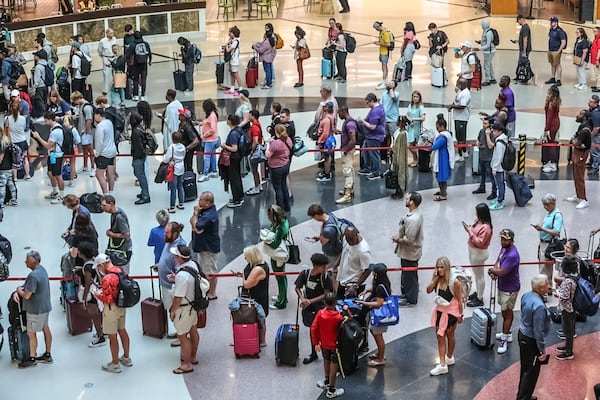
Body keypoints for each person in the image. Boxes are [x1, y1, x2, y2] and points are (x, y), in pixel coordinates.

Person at [92, 253, 133, 373]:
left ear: (102, 264)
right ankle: (126, 357)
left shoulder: (107, 278)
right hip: (121, 306)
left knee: (112, 336)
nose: (99, 270)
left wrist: (97, 295)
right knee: (123, 330)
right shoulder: (120, 270)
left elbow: (108, 299)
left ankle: (115, 364)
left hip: (111, 309)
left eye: (99, 267)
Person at [14, 250, 53, 368]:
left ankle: (32, 358)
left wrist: (18, 290)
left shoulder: (33, 276)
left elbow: (26, 295)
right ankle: (47, 354)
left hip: (35, 310)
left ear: (34, 261)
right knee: (46, 328)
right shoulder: (42, 270)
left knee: (31, 334)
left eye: (27, 260)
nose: (25, 262)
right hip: (45, 307)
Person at [425, 256, 463, 376]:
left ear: (447, 268)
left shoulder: (454, 282)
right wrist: (434, 280)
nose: (439, 269)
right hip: (440, 311)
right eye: (438, 267)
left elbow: (460, 299)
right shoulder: (437, 279)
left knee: (449, 335)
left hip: (451, 312)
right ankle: (444, 362)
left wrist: (460, 315)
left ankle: (447, 360)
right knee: (440, 336)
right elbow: (428, 290)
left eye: (442, 267)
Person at [515, 275, 551, 400]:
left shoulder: (526, 295)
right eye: (547, 284)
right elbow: (538, 331)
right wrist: (542, 350)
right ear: (541, 288)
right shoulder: (539, 306)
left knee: (525, 369)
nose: (549, 286)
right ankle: (523, 398)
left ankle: (524, 395)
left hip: (522, 334)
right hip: (532, 341)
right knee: (531, 373)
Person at [295, 253, 332, 365]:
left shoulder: (325, 277)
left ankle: (326, 353)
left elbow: (326, 295)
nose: (325, 269)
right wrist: (303, 299)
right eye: (323, 266)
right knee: (312, 330)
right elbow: (297, 287)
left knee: (322, 331)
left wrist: (310, 301)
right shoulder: (305, 274)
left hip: (321, 308)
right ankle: (314, 353)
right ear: (316, 266)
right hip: (308, 307)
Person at [488, 228, 521, 354]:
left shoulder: (512, 255)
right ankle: (507, 333)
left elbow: (502, 272)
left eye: (505, 239)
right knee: (504, 311)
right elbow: (498, 261)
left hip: (510, 288)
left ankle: (504, 339)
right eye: (501, 238)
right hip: (503, 286)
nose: (502, 241)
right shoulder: (504, 249)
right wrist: (495, 269)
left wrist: (492, 271)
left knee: (507, 312)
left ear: (511, 240)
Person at [168, 245, 200, 373]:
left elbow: (178, 297)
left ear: (180, 258)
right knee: (193, 330)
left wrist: (172, 311)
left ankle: (186, 364)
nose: (174, 257)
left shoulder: (182, 275)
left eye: (176, 255)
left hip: (184, 309)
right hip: (193, 306)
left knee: (182, 336)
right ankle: (193, 357)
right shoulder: (193, 265)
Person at [152, 221, 185, 344]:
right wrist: (160, 265)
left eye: (167, 232)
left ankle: (182, 336)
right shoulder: (170, 242)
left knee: (175, 310)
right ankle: (178, 331)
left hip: (172, 287)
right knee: (172, 310)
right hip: (166, 284)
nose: (164, 235)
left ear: (175, 234)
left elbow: (180, 271)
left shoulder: (179, 248)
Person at [355, 263, 393, 368]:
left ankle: (380, 359)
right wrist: (367, 290)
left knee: (378, 336)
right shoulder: (383, 282)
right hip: (377, 315)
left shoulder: (381, 287)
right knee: (375, 334)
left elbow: (378, 303)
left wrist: (363, 303)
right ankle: (379, 354)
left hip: (380, 316)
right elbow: (377, 290)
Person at [311, 292, 346, 399]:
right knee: (334, 364)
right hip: (335, 345)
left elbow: (313, 328)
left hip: (324, 343)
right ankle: (331, 390)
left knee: (326, 359)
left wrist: (316, 342)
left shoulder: (320, 313)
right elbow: (348, 320)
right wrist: (346, 310)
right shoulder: (338, 317)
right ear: (335, 303)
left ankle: (326, 381)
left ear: (324, 302)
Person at [392, 191, 423, 307]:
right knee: (407, 275)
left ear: (412, 202)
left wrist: (397, 239)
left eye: (407, 199)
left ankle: (411, 299)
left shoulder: (413, 220)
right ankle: (407, 294)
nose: (405, 201)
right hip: (408, 252)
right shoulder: (413, 215)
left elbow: (409, 240)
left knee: (410, 276)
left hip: (410, 252)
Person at [234, 245, 269, 347]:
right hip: (254, 297)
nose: (245, 259)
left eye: (246, 257)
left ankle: (261, 341)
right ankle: (251, 338)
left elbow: (247, 284)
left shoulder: (258, 269)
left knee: (259, 319)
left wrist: (243, 277)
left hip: (257, 298)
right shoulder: (256, 264)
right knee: (254, 319)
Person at [190, 191, 220, 300]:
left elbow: (197, 227)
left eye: (201, 200)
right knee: (204, 270)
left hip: (209, 248)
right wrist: (195, 217)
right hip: (203, 246)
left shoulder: (209, 216)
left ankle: (212, 293)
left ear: (207, 203)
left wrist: (196, 215)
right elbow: (192, 222)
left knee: (210, 271)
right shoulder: (204, 211)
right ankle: (206, 290)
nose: (199, 201)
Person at [31, 111, 65, 204]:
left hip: (57, 156)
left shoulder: (56, 131)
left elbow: (47, 145)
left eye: (46, 121)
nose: (45, 123)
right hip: (52, 155)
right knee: (50, 173)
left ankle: (62, 196)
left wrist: (38, 137)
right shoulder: (53, 128)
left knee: (58, 175)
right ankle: (55, 191)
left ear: (50, 120)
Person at [531, 193, 563, 291]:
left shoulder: (557, 215)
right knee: (543, 267)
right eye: (544, 204)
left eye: (547, 204)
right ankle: (547, 288)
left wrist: (542, 229)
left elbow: (557, 232)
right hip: (543, 243)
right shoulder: (549, 213)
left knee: (545, 269)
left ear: (553, 203)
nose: (545, 207)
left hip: (549, 245)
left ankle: (545, 289)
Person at [76, 240, 105, 348]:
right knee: (99, 313)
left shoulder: (87, 267)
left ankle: (100, 336)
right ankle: (103, 331)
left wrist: (84, 299)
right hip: (98, 292)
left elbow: (87, 283)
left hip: (91, 295)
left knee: (94, 315)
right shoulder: (93, 262)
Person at [464, 203, 493, 307]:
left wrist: (470, 233)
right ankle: (478, 292)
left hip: (479, 252)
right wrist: (470, 229)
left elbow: (480, 242)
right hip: (473, 250)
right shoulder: (478, 221)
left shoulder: (486, 228)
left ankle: (480, 298)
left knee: (480, 275)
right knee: (476, 274)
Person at [262, 205, 290, 310]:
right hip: (281, 254)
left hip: (279, 255)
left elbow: (275, 244)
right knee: (282, 277)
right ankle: (282, 296)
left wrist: (265, 240)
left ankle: (281, 302)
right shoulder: (284, 222)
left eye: (269, 215)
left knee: (280, 277)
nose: (268, 217)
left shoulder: (280, 227)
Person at [100, 194, 132, 275]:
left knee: (122, 273)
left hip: (123, 250)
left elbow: (127, 234)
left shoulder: (119, 217)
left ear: (111, 204)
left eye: (104, 205)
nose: (102, 207)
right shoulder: (115, 213)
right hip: (118, 248)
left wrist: (112, 234)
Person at [567, 109, 592, 208]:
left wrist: (574, 141)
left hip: (581, 155)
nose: (578, 115)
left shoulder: (585, 130)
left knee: (580, 177)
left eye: (581, 114)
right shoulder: (581, 127)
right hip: (577, 153)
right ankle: (578, 195)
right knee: (576, 176)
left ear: (585, 117)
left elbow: (576, 142)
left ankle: (584, 199)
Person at [556, 255, 578, 360]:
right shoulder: (575, 277)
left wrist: (557, 293)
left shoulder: (567, 281)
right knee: (569, 331)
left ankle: (569, 352)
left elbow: (564, 297)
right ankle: (567, 346)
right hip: (572, 308)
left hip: (567, 309)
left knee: (568, 332)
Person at [358, 93, 385, 180]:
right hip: (370, 136)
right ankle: (368, 168)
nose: (367, 105)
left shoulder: (376, 111)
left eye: (367, 103)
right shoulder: (375, 108)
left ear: (372, 101)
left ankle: (376, 172)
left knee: (374, 154)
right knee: (366, 152)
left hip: (374, 136)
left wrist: (363, 121)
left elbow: (372, 126)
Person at [266, 124, 293, 212]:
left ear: (276, 132)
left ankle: (280, 208)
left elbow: (267, 154)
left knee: (277, 188)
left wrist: (268, 145)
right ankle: (287, 206)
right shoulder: (288, 140)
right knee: (284, 185)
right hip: (286, 165)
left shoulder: (275, 144)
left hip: (276, 168)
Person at [93, 107, 117, 194]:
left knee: (99, 174)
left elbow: (99, 143)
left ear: (98, 115)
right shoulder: (109, 122)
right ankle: (111, 192)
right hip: (112, 151)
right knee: (111, 173)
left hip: (104, 154)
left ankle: (105, 194)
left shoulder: (100, 127)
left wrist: (97, 154)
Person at [430, 114, 454, 201]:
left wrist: (431, 146)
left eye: (437, 127)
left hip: (442, 159)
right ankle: (442, 191)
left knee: (441, 176)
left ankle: (443, 194)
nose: (437, 129)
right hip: (442, 157)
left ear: (442, 126)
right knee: (441, 176)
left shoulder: (443, 136)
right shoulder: (447, 134)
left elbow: (435, 146)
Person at [222, 114, 244, 208]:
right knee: (237, 177)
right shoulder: (239, 130)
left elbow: (234, 148)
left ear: (230, 121)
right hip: (237, 158)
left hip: (233, 158)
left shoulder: (234, 134)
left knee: (234, 178)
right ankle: (239, 196)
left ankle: (237, 199)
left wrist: (224, 146)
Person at [336, 107, 357, 204]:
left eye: (339, 113)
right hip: (348, 149)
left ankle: (347, 195)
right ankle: (350, 189)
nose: (338, 115)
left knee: (347, 171)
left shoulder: (350, 124)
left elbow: (353, 140)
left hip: (347, 150)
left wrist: (346, 150)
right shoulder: (348, 122)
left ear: (343, 112)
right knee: (350, 169)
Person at [472, 117, 497, 199]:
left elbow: (490, 146)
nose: (483, 125)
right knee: (482, 173)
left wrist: (487, 135)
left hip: (489, 158)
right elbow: (478, 139)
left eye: (485, 123)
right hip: (482, 155)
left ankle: (494, 191)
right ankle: (482, 187)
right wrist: (477, 142)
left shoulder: (492, 133)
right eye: (483, 123)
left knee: (491, 175)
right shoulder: (481, 131)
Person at [71, 91, 95, 175]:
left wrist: (87, 131)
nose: (74, 103)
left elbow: (89, 119)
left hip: (86, 132)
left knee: (90, 149)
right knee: (84, 149)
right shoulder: (82, 106)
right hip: (83, 131)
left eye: (74, 101)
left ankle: (93, 167)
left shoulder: (87, 107)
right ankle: (85, 166)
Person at [129, 111, 151, 205]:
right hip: (141, 156)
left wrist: (137, 156)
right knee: (140, 175)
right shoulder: (139, 128)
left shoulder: (135, 132)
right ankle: (143, 192)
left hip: (138, 157)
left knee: (141, 176)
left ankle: (146, 195)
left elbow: (138, 147)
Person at [5, 103, 30, 182]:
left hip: (14, 142)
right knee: (25, 158)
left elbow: (6, 130)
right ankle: (27, 175)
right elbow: (24, 127)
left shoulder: (7, 119)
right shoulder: (23, 118)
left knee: (14, 161)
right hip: (23, 141)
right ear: (19, 109)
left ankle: (15, 178)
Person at [448, 77, 471, 160]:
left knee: (460, 137)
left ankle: (460, 155)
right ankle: (464, 152)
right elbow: (457, 101)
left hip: (462, 118)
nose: (456, 85)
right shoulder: (461, 91)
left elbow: (462, 106)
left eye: (458, 83)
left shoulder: (465, 94)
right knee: (462, 136)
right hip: (458, 117)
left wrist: (452, 106)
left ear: (462, 84)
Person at [198, 99, 220, 182]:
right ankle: (214, 171)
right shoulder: (211, 114)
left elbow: (212, 129)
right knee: (213, 156)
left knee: (206, 157)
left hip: (209, 140)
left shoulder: (212, 116)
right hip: (213, 139)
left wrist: (204, 135)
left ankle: (205, 174)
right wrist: (201, 123)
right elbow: (207, 123)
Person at [164, 130, 186, 213]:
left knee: (173, 188)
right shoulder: (183, 147)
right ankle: (181, 204)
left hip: (174, 169)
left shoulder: (171, 147)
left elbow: (166, 159)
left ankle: (172, 207)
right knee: (180, 186)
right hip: (181, 167)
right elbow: (183, 156)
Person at [126, 31, 151, 101]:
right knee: (143, 80)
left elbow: (128, 54)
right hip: (144, 64)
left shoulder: (133, 44)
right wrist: (150, 61)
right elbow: (149, 53)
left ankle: (135, 95)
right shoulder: (146, 44)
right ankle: (143, 95)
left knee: (136, 80)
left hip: (136, 64)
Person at [489, 123, 508, 211]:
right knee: (500, 184)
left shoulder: (500, 142)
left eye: (494, 131)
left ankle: (500, 201)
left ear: (499, 131)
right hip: (500, 166)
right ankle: (500, 199)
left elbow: (498, 156)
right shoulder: (503, 139)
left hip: (499, 167)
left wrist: (495, 168)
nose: (493, 132)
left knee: (499, 184)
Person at [316, 101, 336, 182]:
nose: (323, 108)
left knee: (327, 157)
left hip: (326, 140)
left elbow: (325, 133)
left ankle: (327, 174)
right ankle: (326, 172)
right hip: (329, 139)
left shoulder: (327, 120)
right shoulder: (331, 117)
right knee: (327, 157)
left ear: (327, 108)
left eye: (324, 106)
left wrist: (320, 141)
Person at [545, 16, 567, 87]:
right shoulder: (551, 30)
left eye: (552, 22)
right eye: (551, 21)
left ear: (556, 23)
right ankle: (553, 77)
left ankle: (558, 80)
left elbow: (563, 42)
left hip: (556, 50)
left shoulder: (560, 31)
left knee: (557, 64)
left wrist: (559, 51)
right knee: (552, 64)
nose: (551, 23)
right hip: (550, 50)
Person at [390, 116, 408, 200]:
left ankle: (400, 191)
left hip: (400, 156)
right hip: (396, 155)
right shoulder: (398, 131)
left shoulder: (403, 134)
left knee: (400, 172)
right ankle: (397, 190)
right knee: (396, 173)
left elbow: (400, 146)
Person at [0, 124, 17, 212]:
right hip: (9, 167)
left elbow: (1, 158)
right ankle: (14, 200)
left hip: (3, 168)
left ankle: (1, 202)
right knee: (11, 184)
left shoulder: (1, 144)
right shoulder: (8, 141)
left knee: (2, 186)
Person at [246, 110, 264, 196]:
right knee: (255, 170)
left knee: (254, 170)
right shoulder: (258, 124)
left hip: (255, 151)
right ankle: (259, 185)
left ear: (253, 116)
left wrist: (252, 151)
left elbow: (255, 141)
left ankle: (257, 186)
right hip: (258, 150)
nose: (248, 117)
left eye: (249, 115)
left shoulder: (254, 127)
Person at [406, 90, 425, 167]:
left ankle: (417, 159)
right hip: (410, 127)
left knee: (414, 145)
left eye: (417, 97)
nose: (415, 98)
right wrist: (409, 119)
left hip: (416, 128)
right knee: (411, 145)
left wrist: (414, 119)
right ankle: (416, 159)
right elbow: (407, 114)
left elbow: (423, 118)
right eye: (414, 96)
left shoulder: (421, 107)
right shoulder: (410, 105)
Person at [177, 109, 199, 173]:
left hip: (187, 152)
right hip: (183, 151)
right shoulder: (181, 125)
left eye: (180, 114)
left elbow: (196, 141)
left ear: (184, 117)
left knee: (188, 166)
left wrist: (186, 148)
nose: (179, 115)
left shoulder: (188, 127)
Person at [372, 21, 392, 89]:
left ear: (379, 27)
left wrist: (379, 43)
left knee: (384, 67)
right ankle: (384, 81)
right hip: (382, 51)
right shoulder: (382, 32)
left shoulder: (385, 33)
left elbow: (388, 44)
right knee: (383, 67)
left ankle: (384, 81)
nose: (376, 30)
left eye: (376, 29)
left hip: (385, 52)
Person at [98, 28, 117, 96]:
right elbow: (99, 51)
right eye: (111, 33)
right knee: (106, 75)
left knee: (115, 74)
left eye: (113, 33)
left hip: (114, 57)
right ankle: (105, 90)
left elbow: (116, 48)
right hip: (106, 58)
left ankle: (116, 87)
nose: (112, 34)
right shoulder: (102, 41)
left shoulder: (114, 39)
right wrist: (103, 57)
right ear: (107, 33)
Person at [223, 26, 242, 93]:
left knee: (236, 74)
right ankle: (232, 88)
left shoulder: (235, 42)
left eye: (230, 33)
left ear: (234, 33)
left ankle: (240, 88)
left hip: (234, 61)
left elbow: (228, 50)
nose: (229, 34)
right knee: (232, 74)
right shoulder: (233, 40)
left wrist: (226, 46)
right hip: (232, 60)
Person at [478, 20, 496, 86]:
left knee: (487, 66)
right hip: (488, 51)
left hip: (489, 52)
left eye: (482, 25)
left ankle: (487, 80)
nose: (481, 26)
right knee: (489, 64)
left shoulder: (488, 33)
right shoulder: (486, 31)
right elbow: (486, 41)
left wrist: (479, 48)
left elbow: (488, 45)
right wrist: (481, 42)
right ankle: (492, 78)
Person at [591, 26, 600, 93]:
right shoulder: (596, 38)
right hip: (594, 59)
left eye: (595, 31)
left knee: (598, 73)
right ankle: (597, 85)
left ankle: (598, 87)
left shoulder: (599, 39)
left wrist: (597, 59)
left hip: (597, 60)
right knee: (596, 72)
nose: (593, 32)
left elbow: (599, 50)